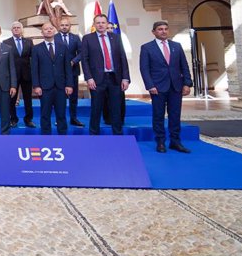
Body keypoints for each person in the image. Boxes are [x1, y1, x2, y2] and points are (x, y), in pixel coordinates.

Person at [140, 21, 193, 153]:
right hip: (157, 88)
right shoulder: (147, 48)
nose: (163, 31)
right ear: (154, 32)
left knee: (175, 115)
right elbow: (144, 69)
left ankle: (175, 142)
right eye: (160, 29)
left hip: (176, 87)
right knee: (158, 115)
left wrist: (187, 83)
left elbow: (184, 66)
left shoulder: (177, 46)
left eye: (165, 29)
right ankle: (160, 142)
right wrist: (150, 85)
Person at [81, 14, 130, 136]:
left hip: (115, 78)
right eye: (98, 23)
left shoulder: (116, 37)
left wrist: (125, 78)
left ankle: (118, 135)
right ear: (94, 25)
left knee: (116, 109)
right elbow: (85, 59)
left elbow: (123, 58)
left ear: (107, 24)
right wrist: (89, 78)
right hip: (97, 80)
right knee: (96, 108)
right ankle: (94, 135)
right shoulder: (87, 38)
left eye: (103, 22)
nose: (101, 25)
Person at [31, 23, 73, 135]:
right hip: (44, 87)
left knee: (61, 114)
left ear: (54, 31)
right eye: (46, 29)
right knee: (45, 114)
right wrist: (36, 85)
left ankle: (63, 137)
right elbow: (34, 69)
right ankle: (46, 138)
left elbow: (67, 68)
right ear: (42, 32)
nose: (48, 30)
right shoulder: (36, 49)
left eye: (50, 28)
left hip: (61, 86)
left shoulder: (63, 47)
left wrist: (69, 84)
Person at [3, 21, 35, 128]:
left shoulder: (29, 42)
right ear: (11, 30)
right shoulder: (6, 42)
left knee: (28, 99)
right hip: (12, 76)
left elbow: (33, 58)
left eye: (18, 27)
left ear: (22, 30)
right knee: (11, 99)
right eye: (14, 28)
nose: (16, 29)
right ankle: (13, 119)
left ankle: (28, 119)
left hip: (27, 75)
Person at [54, 17, 84, 127]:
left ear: (70, 26)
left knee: (73, 97)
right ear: (59, 26)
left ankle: (73, 118)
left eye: (66, 25)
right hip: (58, 73)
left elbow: (82, 52)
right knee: (59, 97)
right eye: (62, 25)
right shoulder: (54, 38)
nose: (64, 27)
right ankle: (59, 119)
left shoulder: (75, 38)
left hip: (73, 71)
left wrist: (74, 61)